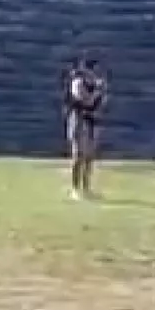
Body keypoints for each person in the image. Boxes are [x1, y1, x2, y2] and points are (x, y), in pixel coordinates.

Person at [62, 56, 106, 201]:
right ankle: (75, 189)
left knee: (89, 156)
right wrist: (96, 92)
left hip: (91, 121)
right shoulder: (78, 82)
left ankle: (86, 188)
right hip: (78, 120)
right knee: (78, 155)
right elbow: (85, 100)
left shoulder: (94, 84)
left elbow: (99, 104)